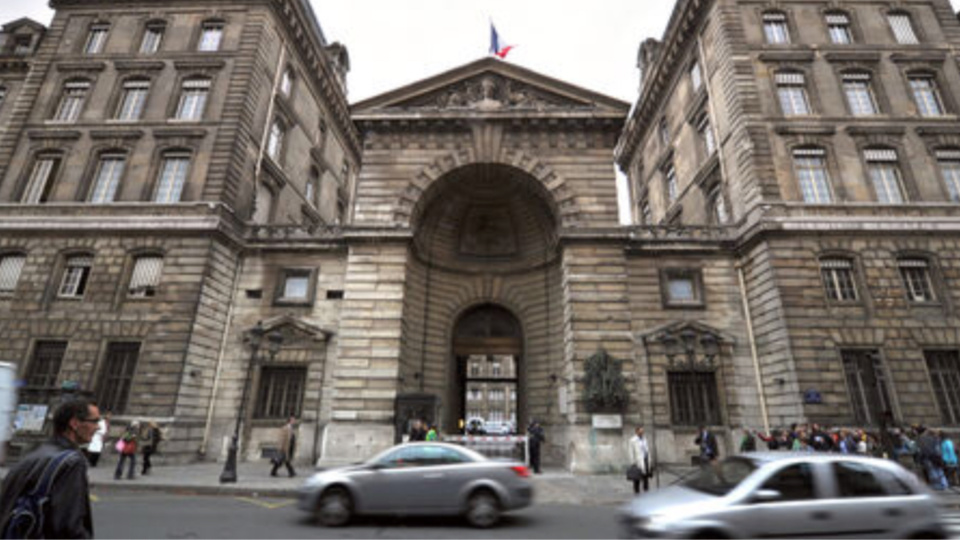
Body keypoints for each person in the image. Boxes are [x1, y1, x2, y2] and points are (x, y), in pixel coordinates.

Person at [0, 398, 98, 538]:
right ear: (75, 423)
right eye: (94, 421)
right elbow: (67, 526)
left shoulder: (33, 454)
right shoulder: (71, 462)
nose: (98, 427)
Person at [917, 426, 948, 490]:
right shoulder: (937, 439)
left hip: (930, 458)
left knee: (933, 471)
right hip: (937, 457)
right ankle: (944, 484)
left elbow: (925, 450)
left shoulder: (926, 440)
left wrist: (921, 458)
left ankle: (938, 485)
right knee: (939, 471)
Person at [627, 426, 651, 494]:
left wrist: (648, 458)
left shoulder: (644, 439)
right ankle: (636, 491)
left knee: (645, 477)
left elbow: (647, 449)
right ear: (637, 431)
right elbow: (630, 452)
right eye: (640, 431)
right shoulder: (632, 440)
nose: (642, 432)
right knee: (637, 477)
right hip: (638, 461)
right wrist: (633, 462)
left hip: (645, 459)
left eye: (642, 431)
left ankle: (646, 490)